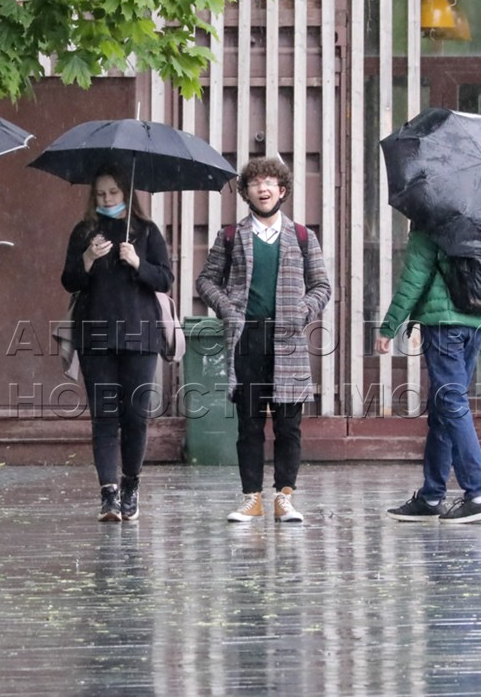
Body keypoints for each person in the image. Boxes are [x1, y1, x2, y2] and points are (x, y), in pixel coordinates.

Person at [196, 156, 331, 523]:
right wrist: (228, 309)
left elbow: (322, 286)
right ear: (246, 192)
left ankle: (284, 497)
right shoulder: (230, 236)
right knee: (249, 424)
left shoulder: (302, 236)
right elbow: (206, 281)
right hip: (247, 340)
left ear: (282, 190)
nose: (263, 188)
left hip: (289, 341)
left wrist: (301, 312)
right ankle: (251, 497)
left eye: (270, 182)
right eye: (256, 183)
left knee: (289, 425)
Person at [61, 172, 173, 522]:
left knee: (136, 416)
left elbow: (165, 279)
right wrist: (87, 259)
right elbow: (69, 281)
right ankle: (108, 493)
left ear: (127, 193)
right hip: (95, 335)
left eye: (113, 192)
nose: (107, 199)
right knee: (104, 415)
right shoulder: (84, 232)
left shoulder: (147, 231)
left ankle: (130, 484)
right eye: (100, 194)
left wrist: (138, 262)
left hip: (140, 335)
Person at [377, 228, 481, 523]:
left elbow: (414, 277)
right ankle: (432, 496)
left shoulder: (431, 221)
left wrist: (389, 326)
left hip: (445, 325)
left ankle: (478, 495)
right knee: (443, 407)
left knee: (452, 404)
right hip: (479, 319)